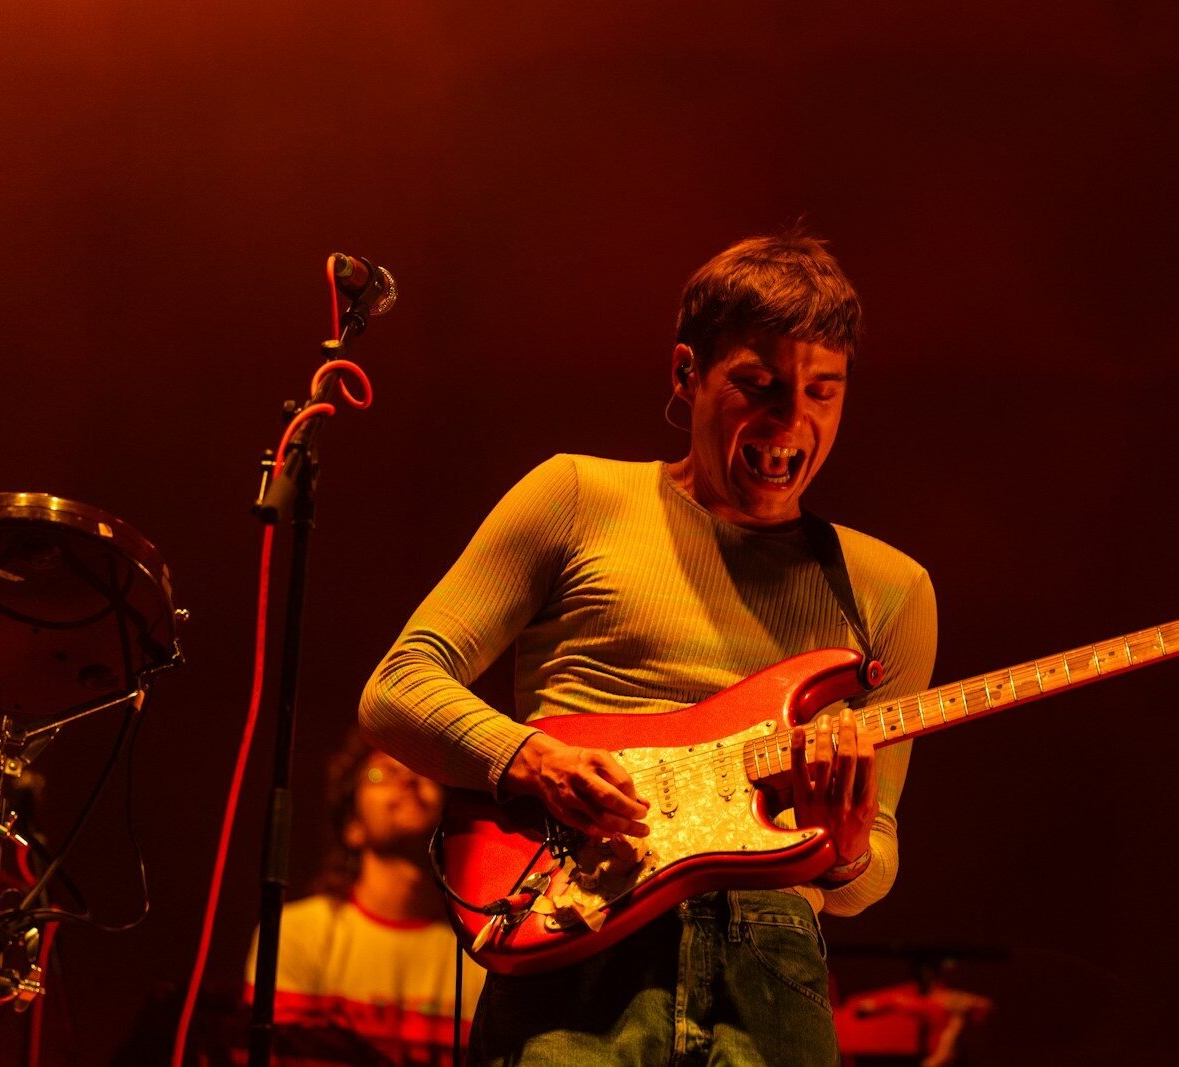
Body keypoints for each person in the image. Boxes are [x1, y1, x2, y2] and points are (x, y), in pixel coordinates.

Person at [360, 231, 938, 1065]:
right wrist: (530, 758)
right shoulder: (575, 497)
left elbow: (874, 860)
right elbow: (398, 685)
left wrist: (844, 848)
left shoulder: (890, 588)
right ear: (684, 375)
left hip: (771, 960)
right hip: (579, 929)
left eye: (823, 391)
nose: (791, 420)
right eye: (758, 385)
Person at [244, 731, 481, 1066]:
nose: (409, 779)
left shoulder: (481, 952)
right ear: (352, 826)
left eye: (423, 771)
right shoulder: (297, 934)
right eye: (381, 772)